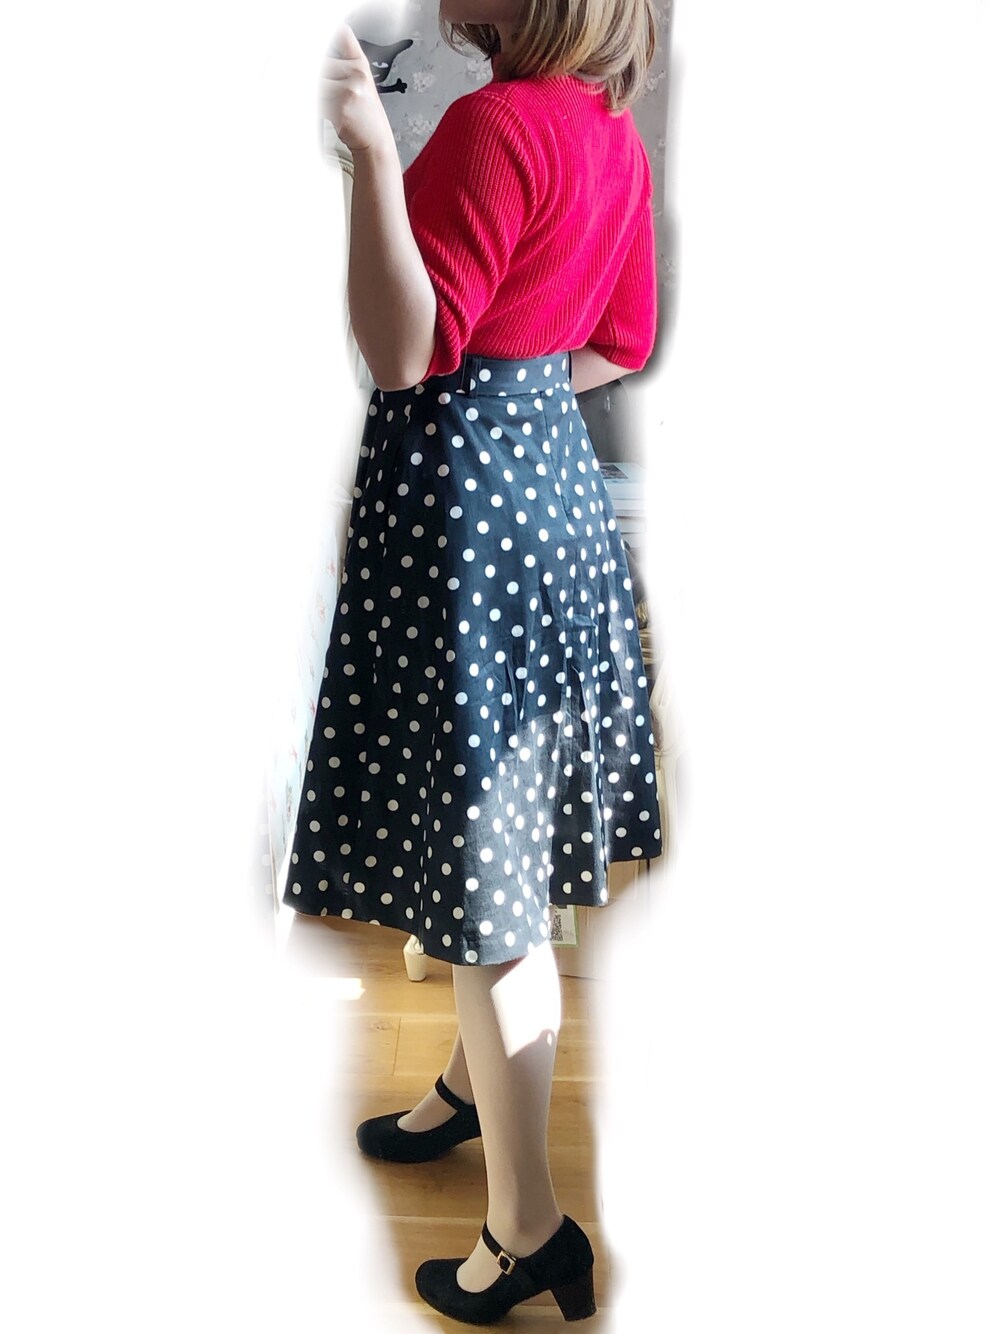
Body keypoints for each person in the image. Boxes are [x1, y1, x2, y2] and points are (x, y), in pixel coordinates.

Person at [285, 1, 662, 1322]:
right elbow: (620, 341)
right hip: (551, 503)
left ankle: (528, 1228)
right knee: (497, 847)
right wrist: (520, 382)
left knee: (491, 893)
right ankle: (465, 1086)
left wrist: (368, 152)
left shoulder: (492, 125)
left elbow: (402, 354)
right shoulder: (608, 131)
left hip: (465, 523)